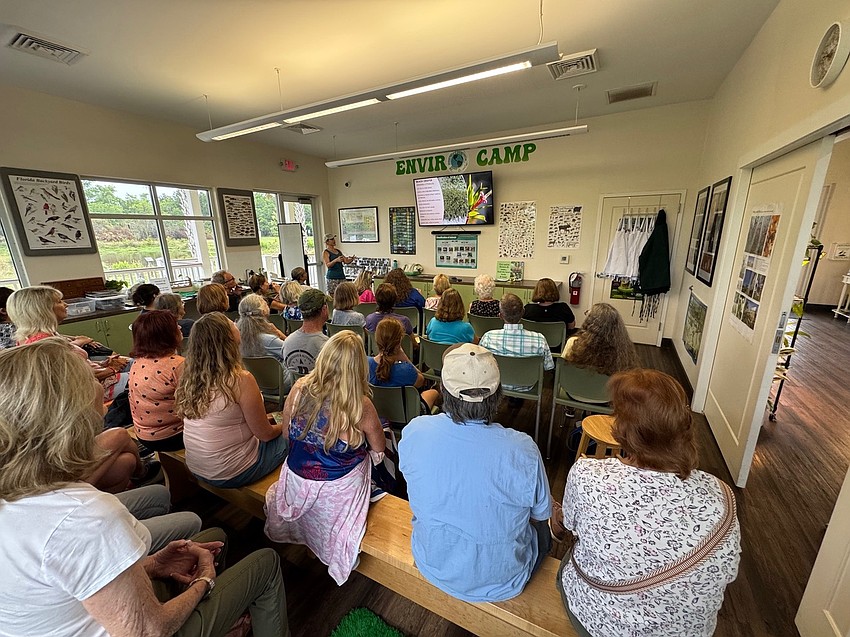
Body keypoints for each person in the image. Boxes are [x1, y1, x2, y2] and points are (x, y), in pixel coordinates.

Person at [0, 339, 290, 637]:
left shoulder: (23, 492)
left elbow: (71, 586)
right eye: (88, 376)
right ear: (68, 409)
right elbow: (149, 630)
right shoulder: (85, 517)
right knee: (265, 562)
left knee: (215, 537)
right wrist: (205, 581)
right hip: (141, 626)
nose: (101, 379)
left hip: (89, 615)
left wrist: (151, 565)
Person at [555, 369, 740, 637]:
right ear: (683, 425)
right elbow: (728, 573)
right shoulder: (722, 496)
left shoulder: (587, 474)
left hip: (595, 618)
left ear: (622, 429)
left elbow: (570, 526)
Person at [398, 343, 552, 602]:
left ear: (444, 390)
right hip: (504, 580)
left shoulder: (415, 430)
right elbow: (540, 515)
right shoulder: (523, 448)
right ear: (498, 393)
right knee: (544, 533)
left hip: (432, 561)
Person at [265, 331, 385, 585]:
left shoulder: (298, 389)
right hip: (337, 485)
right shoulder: (360, 404)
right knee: (374, 455)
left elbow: (287, 433)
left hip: (297, 474)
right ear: (358, 367)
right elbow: (378, 447)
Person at [176, 312, 288, 488]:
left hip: (197, 465)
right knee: (295, 435)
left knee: (276, 421)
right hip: (232, 471)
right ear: (227, 337)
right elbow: (265, 435)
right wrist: (287, 425)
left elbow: (229, 421)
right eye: (231, 323)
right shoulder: (240, 379)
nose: (236, 323)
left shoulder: (189, 375)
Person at [7, 285, 131, 402]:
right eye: (59, 301)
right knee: (146, 377)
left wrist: (103, 364)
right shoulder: (45, 344)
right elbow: (76, 377)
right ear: (43, 309)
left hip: (98, 378)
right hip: (89, 390)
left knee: (135, 364)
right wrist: (112, 369)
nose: (66, 305)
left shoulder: (40, 335)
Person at [129, 310, 186, 451]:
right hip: (173, 436)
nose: (179, 328)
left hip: (144, 435)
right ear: (165, 335)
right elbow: (197, 404)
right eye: (175, 325)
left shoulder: (138, 361)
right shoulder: (177, 365)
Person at [479, 293, 554, 391]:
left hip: (496, 383)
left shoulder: (488, 337)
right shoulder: (539, 339)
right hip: (528, 384)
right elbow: (548, 366)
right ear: (523, 312)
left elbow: (480, 363)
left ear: (500, 316)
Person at [369, 317, 440, 412]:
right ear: (399, 343)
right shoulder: (406, 370)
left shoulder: (365, 364)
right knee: (435, 392)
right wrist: (405, 358)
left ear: (376, 340)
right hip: (407, 414)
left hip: (378, 412)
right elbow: (421, 381)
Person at [563, 302, 640, 376]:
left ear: (590, 323)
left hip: (573, 387)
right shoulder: (623, 352)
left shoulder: (573, 343)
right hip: (606, 389)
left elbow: (564, 368)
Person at [281, 288, 330, 386]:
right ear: (324, 309)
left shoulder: (287, 342)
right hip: (321, 397)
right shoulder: (327, 345)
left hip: (297, 395)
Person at [237, 293, 287, 364]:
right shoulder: (269, 340)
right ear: (263, 311)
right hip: (274, 374)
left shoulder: (236, 337)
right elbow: (293, 353)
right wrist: (280, 334)